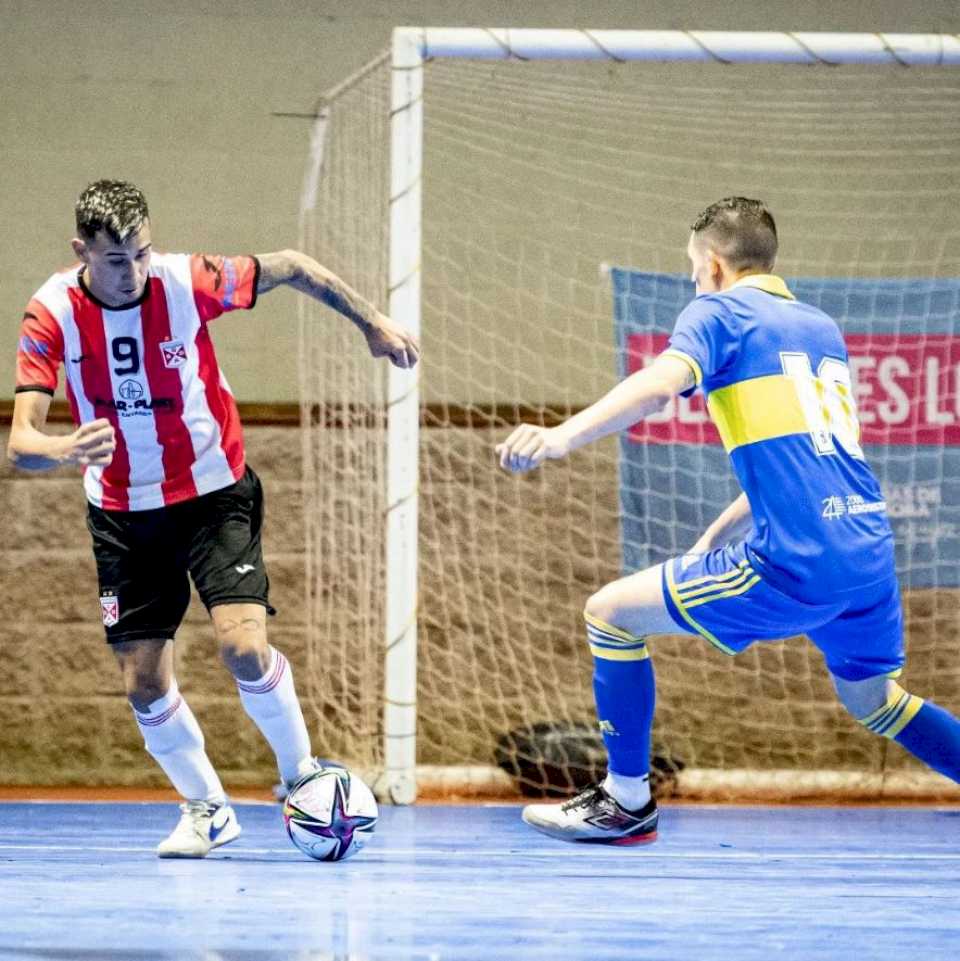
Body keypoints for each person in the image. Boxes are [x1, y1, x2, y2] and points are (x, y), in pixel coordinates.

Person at [496, 196, 960, 844]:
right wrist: (719, 532)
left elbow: (660, 386)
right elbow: (813, 458)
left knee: (609, 612)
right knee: (876, 701)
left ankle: (626, 800)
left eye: (692, 269)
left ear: (713, 265)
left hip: (797, 562)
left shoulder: (717, 311)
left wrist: (559, 437)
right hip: (867, 551)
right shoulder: (818, 327)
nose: (692, 281)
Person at [9, 180, 419, 858]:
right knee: (142, 679)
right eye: (116, 260)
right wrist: (62, 447)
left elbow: (291, 265)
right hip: (122, 510)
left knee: (243, 646)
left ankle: (303, 776)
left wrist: (372, 322)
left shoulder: (186, 281)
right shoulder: (50, 314)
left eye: (142, 252)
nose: (134, 271)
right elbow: (21, 442)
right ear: (82, 250)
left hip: (211, 490)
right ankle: (207, 808)